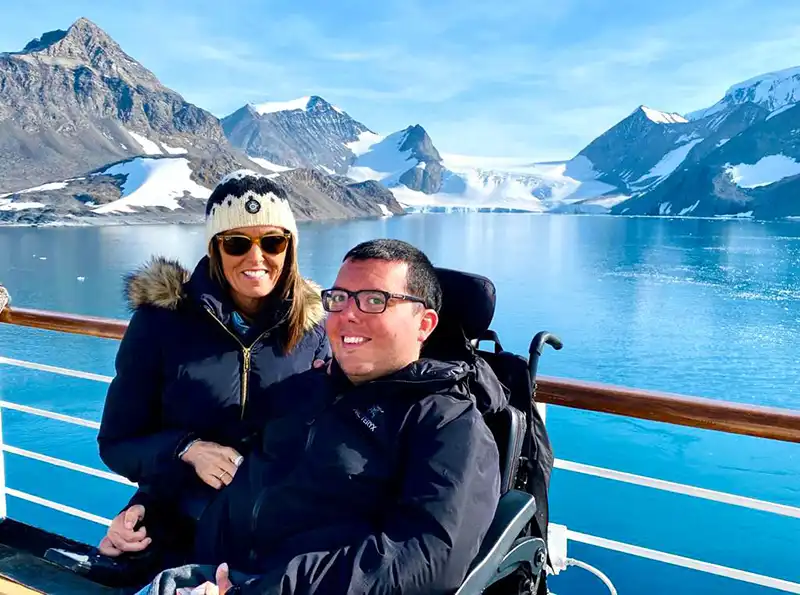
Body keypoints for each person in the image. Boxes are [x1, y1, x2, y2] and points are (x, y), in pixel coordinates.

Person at [136, 239, 503, 595]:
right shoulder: (304, 390)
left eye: (375, 300)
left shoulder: (446, 424)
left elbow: (427, 556)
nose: (348, 314)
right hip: (208, 574)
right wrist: (146, 515)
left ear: (424, 324)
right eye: (339, 298)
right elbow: (229, 466)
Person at [95, 170, 330, 572]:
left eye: (273, 241)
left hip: (276, 526)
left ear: (289, 248)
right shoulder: (162, 323)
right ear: (215, 248)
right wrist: (185, 450)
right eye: (238, 243)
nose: (256, 258)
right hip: (182, 517)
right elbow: (117, 443)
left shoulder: (313, 328)